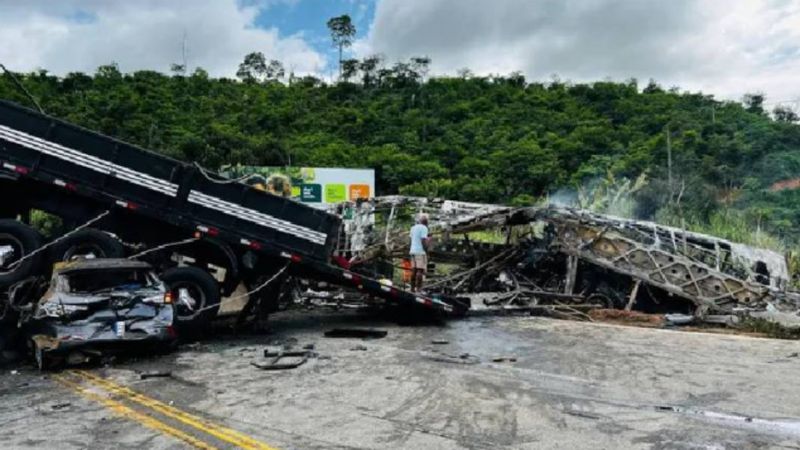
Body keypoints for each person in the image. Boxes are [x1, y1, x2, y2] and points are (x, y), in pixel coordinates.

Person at [409, 214, 430, 292]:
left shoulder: (413, 228)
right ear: (426, 222)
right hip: (420, 251)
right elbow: (423, 240)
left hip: (412, 251)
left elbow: (410, 240)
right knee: (419, 271)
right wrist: (426, 250)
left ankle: (412, 288)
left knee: (413, 270)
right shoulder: (424, 228)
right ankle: (419, 289)